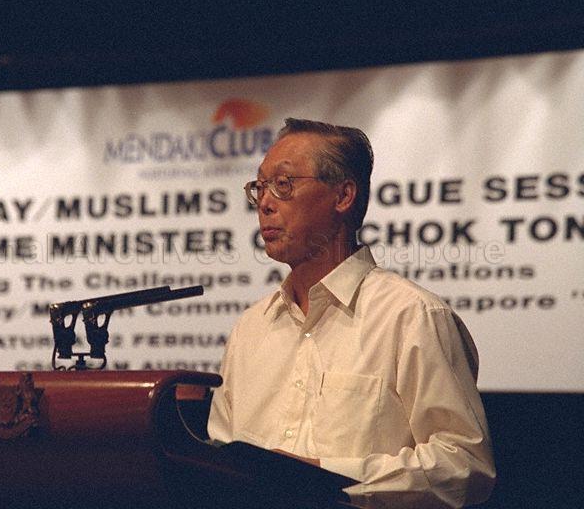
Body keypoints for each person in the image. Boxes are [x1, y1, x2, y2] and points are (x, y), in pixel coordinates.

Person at [207, 118, 496, 508]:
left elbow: (464, 465)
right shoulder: (251, 328)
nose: (265, 203)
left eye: (284, 184)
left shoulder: (412, 316)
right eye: (260, 186)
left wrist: (326, 475)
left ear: (343, 196)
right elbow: (219, 459)